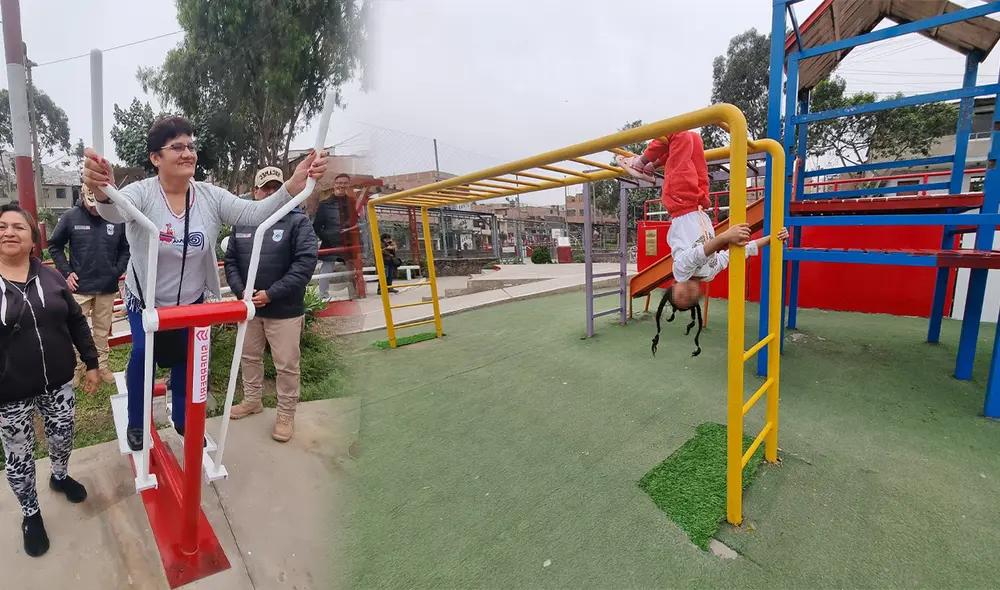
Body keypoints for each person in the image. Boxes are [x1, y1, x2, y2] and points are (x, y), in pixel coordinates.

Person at [81, 115, 328, 451]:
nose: (188, 153)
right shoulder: (142, 193)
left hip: (191, 302)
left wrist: (294, 186)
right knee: (143, 357)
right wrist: (103, 190)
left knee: (187, 361)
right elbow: (114, 213)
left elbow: (253, 215)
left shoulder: (209, 196)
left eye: (191, 146)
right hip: (148, 302)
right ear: (156, 158)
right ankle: (137, 421)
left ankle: (183, 419)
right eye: (177, 147)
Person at [0, 203, 100, 557]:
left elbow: (75, 320)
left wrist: (91, 362)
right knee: (19, 457)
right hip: (8, 392)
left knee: (62, 436)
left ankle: (59, 476)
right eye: (2, 226)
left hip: (58, 383)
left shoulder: (51, 276)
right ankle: (31, 514)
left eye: (18, 227)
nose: (9, 232)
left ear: (33, 240)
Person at [224, 166, 318, 442]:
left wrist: (272, 293)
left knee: (286, 364)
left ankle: (286, 414)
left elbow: (304, 265)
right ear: (255, 192)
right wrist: (242, 291)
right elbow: (231, 262)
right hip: (251, 308)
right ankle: (253, 400)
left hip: (284, 309)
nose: (271, 193)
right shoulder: (242, 222)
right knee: (249, 357)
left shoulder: (297, 222)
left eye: (276, 187)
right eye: (265, 188)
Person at [47, 185, 129, 386]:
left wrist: (116, 271)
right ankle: (76, 368)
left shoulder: (116, 218)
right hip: (79, 288)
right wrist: (66, 272)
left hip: (106, 286)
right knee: (75, 330)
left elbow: (126, 250)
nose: (94, 208)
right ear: (83, 196)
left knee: (102, 330)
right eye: (91, 204)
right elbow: (54, 246)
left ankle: (102, 366)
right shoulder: (70, 217)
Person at [313, 173, 353, 301]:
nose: (342, 185)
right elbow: (317, 226)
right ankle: (322, 296)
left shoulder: (353, 203)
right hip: (330, 242)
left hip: (348, 242)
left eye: (345, 183)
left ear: (348, 185)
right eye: (339, 183)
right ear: (334, 185)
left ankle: (355, 293)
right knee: (326, 269)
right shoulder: (324, 204)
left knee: (353, 268)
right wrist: (327, 238)